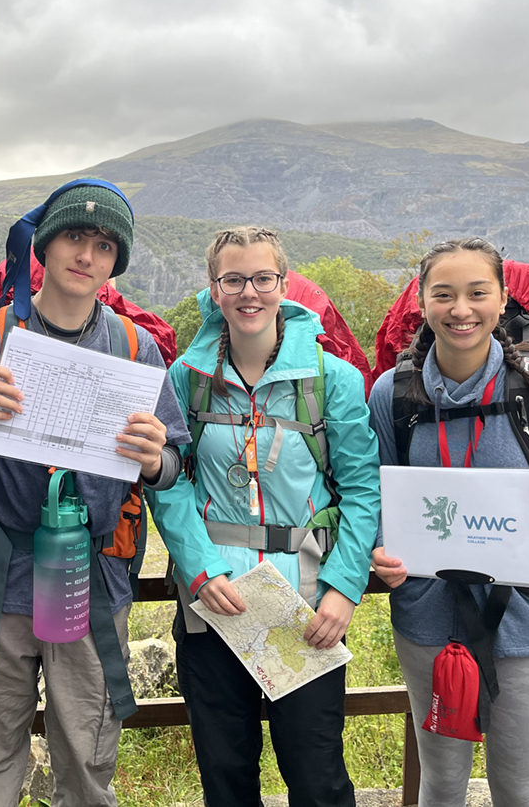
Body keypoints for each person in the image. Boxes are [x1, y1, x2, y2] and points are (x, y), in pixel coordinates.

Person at [0, 179, 191, 807]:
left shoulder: (135, 348)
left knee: (88, 766)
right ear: (44, 243)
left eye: (102, 245)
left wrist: (153, 462)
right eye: (72, 236)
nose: (85, 255)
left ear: (115, 261)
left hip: (92, 584)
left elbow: (174, 463)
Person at [147, 226, 381, 807]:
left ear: (283, 284)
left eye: (262, 278)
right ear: (214, 288)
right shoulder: (185, 379)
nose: (248, 293)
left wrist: (344, 588)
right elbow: (169, 481)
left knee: (317, 776)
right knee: (225, 779)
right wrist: (199, 570)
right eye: (233, 279)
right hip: (213, 605)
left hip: (305, 607)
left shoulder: (335, 381)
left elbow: (361, 489)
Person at [369, 238, 529, 807]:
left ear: (502, 302)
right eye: (443, 294)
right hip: (428, 624)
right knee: (441, 785)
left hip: (525, 630)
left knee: (518, 792)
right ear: (421, 303)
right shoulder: (393, 395)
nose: (461, 309)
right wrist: (379, 552)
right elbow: (375, 505)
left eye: (478, 293)